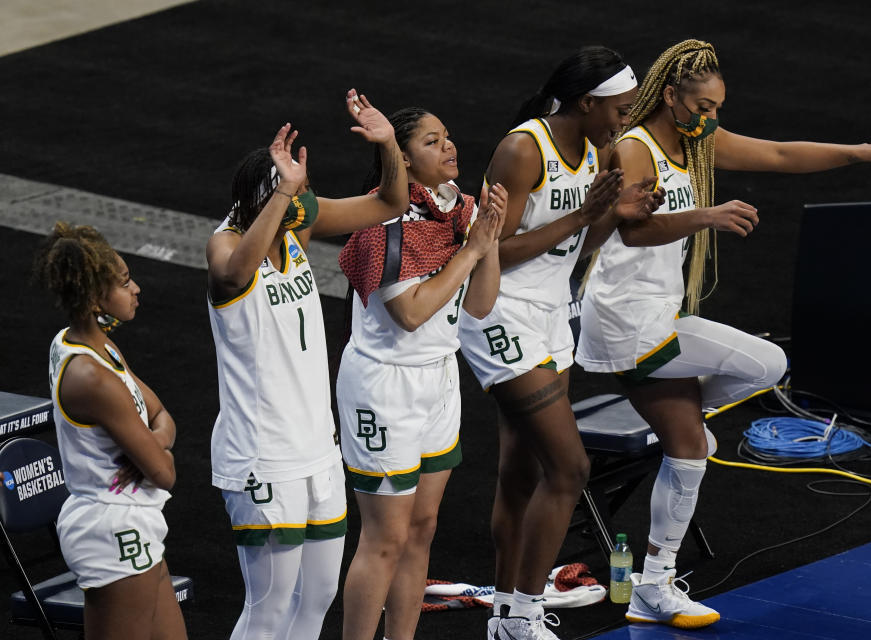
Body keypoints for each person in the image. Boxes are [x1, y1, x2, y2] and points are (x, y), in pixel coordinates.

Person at [575, 39, 871, 629]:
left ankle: (653, 586)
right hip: (625, 321)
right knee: (766, 363)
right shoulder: (634, 150)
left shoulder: (696, 143)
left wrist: (865, 152)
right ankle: (658, 564)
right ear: (669, 95)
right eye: (703, 106)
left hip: (654, 318)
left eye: (718, 107)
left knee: (690, 448)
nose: (712, 118)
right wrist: (707, 216)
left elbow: (780, 153)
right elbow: (633, 233)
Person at [457, 46, 665, 640]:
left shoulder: (599, 150)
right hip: (501, 312)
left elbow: (580, 241)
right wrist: (583, 216)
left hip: (552, 313)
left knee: (521, 473)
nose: (625, 120)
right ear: (585, 102)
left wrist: (612, 211)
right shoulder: (522, 149)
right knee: (569, 468)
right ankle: (523, 613)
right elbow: (487, 250)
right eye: (620, 109)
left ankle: (502, 613)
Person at [205, 89, 408, 640]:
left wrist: (388, 144)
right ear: (264, 199)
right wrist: (283, 198)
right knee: (268, 606)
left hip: (317, 448)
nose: (305, 201)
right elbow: (235, 273)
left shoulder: (295, 225)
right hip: (262, 456)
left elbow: (391, 203)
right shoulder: (225, 245)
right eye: (294, 193)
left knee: (317, 598)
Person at [336, 107, 507, 640]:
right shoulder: (381, 225)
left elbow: (479, 305)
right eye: (434, 142)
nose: (450, 146)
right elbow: (409, 314)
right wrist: (474, 247)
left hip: (438, 378)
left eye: (449, 136)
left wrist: (491, 238)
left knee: (421, 530)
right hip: (384, 387)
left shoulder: (459, 212)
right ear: (404, 160)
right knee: (384, 538)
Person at [36, 222, 187, 640]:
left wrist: (155, 447)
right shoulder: (91, 377)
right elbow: (165, 474)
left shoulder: (94, 344)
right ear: (94, 297)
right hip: (112, 529)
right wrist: (160, 454)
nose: (135, 288)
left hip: (133, 519)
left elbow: (163, 416)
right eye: (124, 283)